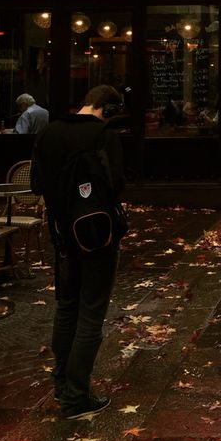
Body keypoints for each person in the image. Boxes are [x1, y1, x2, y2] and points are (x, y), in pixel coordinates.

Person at [31, 84, 125, 420]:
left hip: (62, 237)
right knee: (91, 311)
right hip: (99, 237)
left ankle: (60, 380)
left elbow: (35, 184)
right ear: (108, 109)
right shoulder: (104, 136)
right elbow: (116, 184)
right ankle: (75, 396)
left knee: (66, 306)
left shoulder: (49, 132)